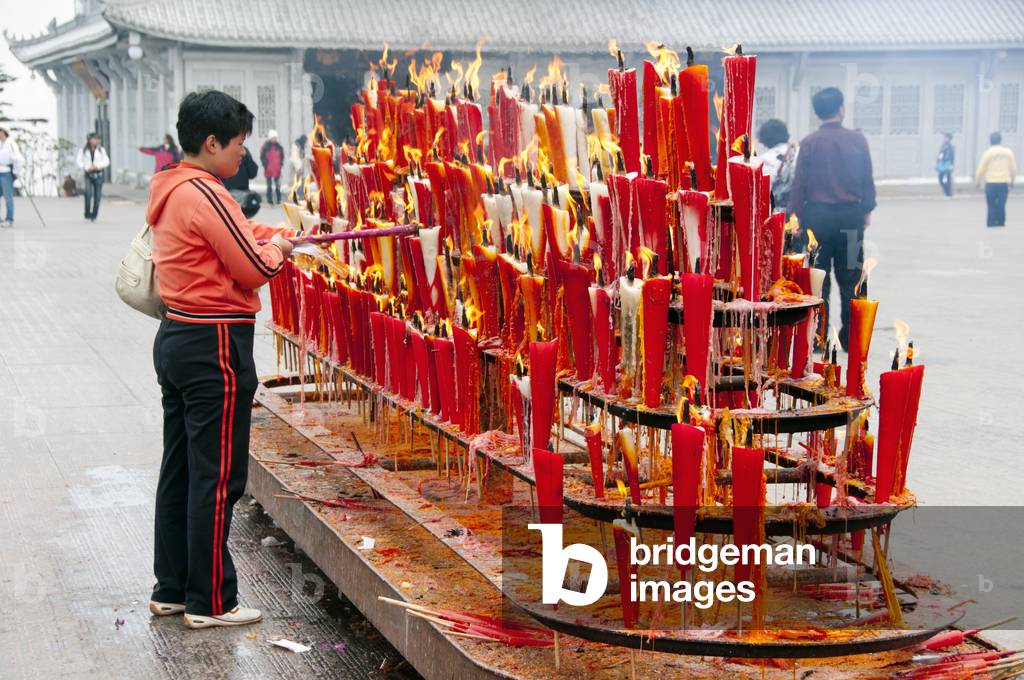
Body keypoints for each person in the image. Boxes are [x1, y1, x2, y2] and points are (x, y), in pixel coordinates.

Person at [147, 89, 294, 629]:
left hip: (178, 337)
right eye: (236, 144)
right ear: (210, 142)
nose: (242, 156)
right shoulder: (205, 193)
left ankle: (172, 588)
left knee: (181, 468)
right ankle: (212, 600)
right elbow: (252, 268)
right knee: (218, 476)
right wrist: (284, 251)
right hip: (214, 347)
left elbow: (234, 237)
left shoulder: (171, 186)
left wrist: (276, 235)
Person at [788, 87, 876, 352]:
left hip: (818, 220)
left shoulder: (810, 143)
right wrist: (866, 210)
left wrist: (796, 219)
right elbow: (866, 178)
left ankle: (818, 338)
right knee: (851, 279)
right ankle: (851, 338)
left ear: (818, 113)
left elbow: (799, 185)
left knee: (819, 279)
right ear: (841, 109)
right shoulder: (857, 141)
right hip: (850, 219)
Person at [975, 132, 1017, 227]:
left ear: (990, 141)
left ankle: (991, 222)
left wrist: (977, 182)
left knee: (991, 204)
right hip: (1003, 182)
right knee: (1002, 204)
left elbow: (980, 170)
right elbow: (1013, 168)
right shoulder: (1008, 152)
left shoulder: (987, 153)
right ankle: (1001, 222)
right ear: (1000, 140)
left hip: (991, 183)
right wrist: (1012, 181)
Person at [757, 118, 799, 213]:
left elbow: (764, 191)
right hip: (799, 213)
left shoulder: (764, 160)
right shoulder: (799, 152)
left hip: (775, 213)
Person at [76, 133, 110, 222]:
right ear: (90, 140)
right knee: (88, 193)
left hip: (98, 175)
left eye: (98, 139)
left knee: (97, 196)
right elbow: (79, 161)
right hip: (88, 174)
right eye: (95, 139)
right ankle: (87, 213)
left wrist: (97, 166)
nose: (97, 141)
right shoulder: (83, 150)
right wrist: (86, 167)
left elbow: (106, 161)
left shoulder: (101, 150)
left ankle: (94, 215)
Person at [0, 127, 24, 227]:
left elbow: (19, 159)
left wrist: (16, 171)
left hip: (6, 173)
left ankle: (9, 219)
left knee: (8, 197)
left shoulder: (11, 143)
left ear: (3, 132)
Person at [259, 130, 284, 205]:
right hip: (268, 169)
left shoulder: (279, 146)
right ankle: (269, 199)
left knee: (278, 186)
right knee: (269, 186)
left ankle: (278, 199)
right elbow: (262, 156)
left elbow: (282, 156)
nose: (274, 139)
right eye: (273, 137)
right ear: (270, 138)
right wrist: (265, 165)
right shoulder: (265, 146)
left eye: (275, 138)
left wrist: (280, 165)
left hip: (277, 169)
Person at [936, 133, 955, 198]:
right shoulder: (943, 146)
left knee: (946, 180)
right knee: (941, 179)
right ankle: (947, 193)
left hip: (947, 165)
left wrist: (951, 165)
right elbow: (939, 156)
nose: (944, 139)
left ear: (949, 139)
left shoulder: (951, 147)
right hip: (942, 165)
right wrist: (937, 164)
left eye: (946, 138)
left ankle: (948, 194)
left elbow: (952, 157)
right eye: (944, 137)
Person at [290, 134, 308, 199]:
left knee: (302, 181)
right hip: (297, 167)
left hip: (301, 167)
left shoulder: (302, 146)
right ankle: (296, 194)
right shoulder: (296, 146)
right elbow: (295, 158)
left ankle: (301, 195)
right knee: (297, 181)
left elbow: (303, 156)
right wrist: (298, 168)